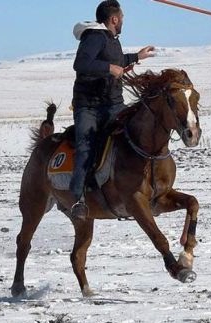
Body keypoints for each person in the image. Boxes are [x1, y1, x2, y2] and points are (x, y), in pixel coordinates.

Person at [69, 0, 155, 220]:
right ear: (114, 19)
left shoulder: (111, 40)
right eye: (122, 16)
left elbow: (117, 61)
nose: (124, 19)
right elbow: (81, 64)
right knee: (85, 148)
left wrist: (136, 57)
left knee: (133, 135)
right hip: (89, 105)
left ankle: (135, 186)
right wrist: (109, 68)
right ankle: (77, 200)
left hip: (113, 102)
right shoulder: (94, 37)